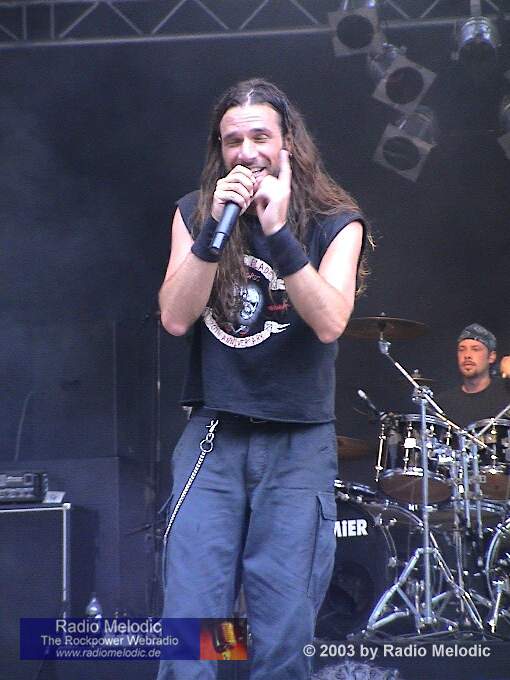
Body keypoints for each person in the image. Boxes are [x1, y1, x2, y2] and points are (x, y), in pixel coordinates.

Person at [157, 78, 370, 680]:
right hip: (214, 438)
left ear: (287, 143)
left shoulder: (335, 221)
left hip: (296, 443)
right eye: (233, 141)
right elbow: (175, 317)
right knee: (194, 626)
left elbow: (329, 321)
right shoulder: (195, 214)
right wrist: (212, 232)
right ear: (219, 150)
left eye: (259, 137)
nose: (247, 152)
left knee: (282, 630)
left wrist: (278, 234)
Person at [437, 323, 510, 428]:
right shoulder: (442, 404)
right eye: (462, 349)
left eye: (475, 349)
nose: (467, 355)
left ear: (491, 357)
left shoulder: (506, 390)